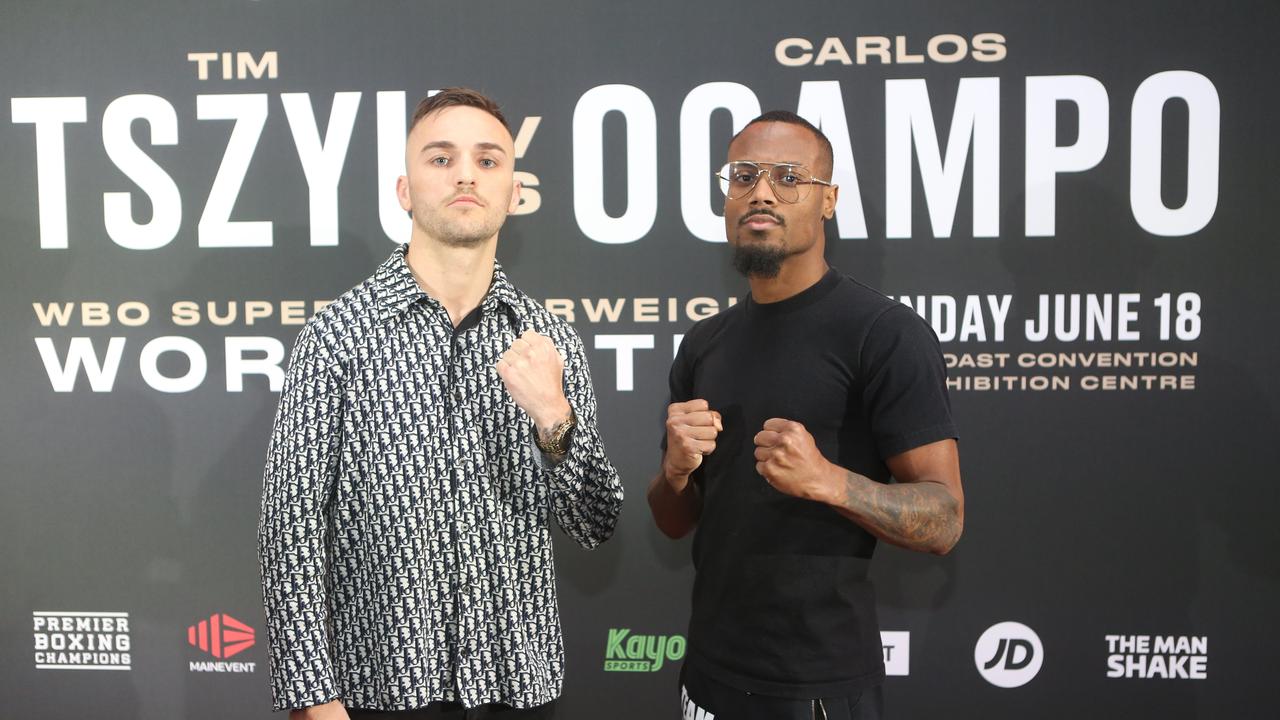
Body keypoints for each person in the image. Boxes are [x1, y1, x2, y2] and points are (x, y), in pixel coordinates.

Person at [259, 88, 623, 720]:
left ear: (514, 192)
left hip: (516, 686)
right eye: (440, 158)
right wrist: (313, 700)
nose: (464, 174)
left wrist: (554, 420)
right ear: (405, 190)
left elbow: (594, 523)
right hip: (381, 690)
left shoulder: (549, 341)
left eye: (487, 160)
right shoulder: (340, 335)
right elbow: (290, 529)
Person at [647, 111, 964, 720]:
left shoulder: (883, 334)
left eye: (789, 176)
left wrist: (829, 481)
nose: (761, 192)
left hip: (817, 688)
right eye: (744, 176)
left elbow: (946, 518)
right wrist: (677, 471)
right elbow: (672, 521)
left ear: (829, 201)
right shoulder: (703, 343)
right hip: (708, 676)